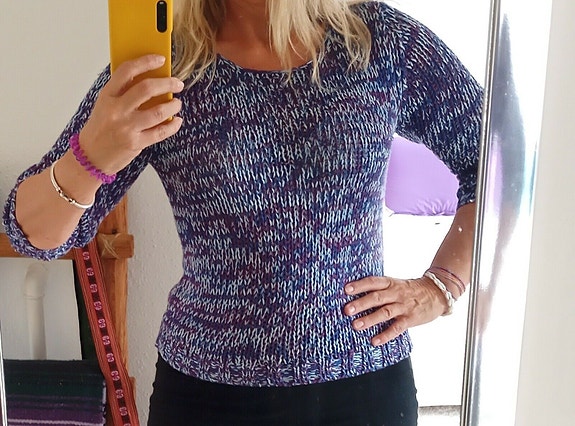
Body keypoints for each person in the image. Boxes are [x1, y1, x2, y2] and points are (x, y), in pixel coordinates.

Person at [3, 0, 483, 424]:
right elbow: (31, 234)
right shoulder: (166, 66)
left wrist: (443, 286)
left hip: (363, 384)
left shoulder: (380, 41)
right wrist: (90, 156)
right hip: (206, 395)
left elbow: (499, 158)